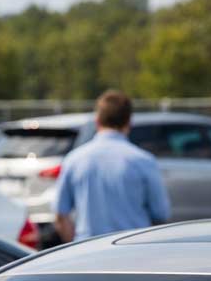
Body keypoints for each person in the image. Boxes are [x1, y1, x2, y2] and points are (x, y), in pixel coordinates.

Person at [53, 90, 170, 242]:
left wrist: (73, 250)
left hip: (87, 252)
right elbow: (160, 214)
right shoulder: (144, 161)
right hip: (132, 250)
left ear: (97, 120)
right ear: (128, 122)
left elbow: (61, 216)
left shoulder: (74, 159)